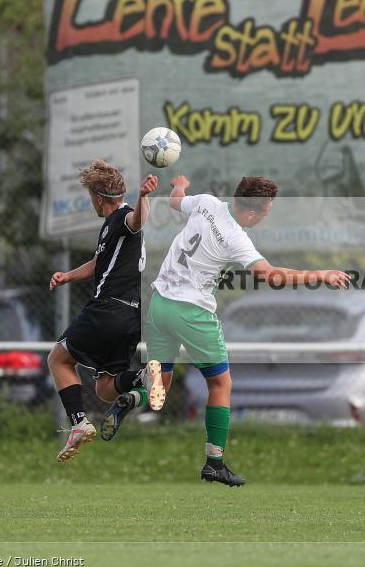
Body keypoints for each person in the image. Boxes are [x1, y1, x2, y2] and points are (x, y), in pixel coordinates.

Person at [139, 174, 351, 486]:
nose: (267, 215)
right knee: (220, 384)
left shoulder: (207, 203)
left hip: (159, 304)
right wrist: (318, 274)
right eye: (268, 211)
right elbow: (271, 276)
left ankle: (132, 394)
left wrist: (180, 185)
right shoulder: (236, 237)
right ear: (253, 212)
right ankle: (214, 462)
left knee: (159, 388)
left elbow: (174, 201)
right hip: (192, 311)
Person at [47, 160, 164, 463]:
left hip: (107, 309)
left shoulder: (122, 217)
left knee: (58, 359)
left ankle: (78, 424)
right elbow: (99, 264)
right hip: (131, 317)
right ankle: (141, 376)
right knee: (105, 390)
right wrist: (68, 276)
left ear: (98, 198)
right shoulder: (111, 229)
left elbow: (137, 221)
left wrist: (144, 196)